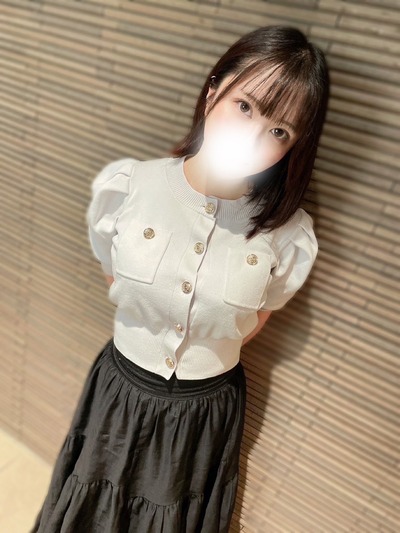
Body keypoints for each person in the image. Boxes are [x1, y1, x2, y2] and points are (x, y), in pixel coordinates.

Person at [31, 25, 329, 533]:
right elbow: (114, 276)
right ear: (214, 90)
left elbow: (256, 319)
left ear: (295, 146)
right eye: (245, 106)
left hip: (203, 414)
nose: (253, 138)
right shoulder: (129, 187)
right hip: (120, 393)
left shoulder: (289, 236)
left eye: (279, 131)